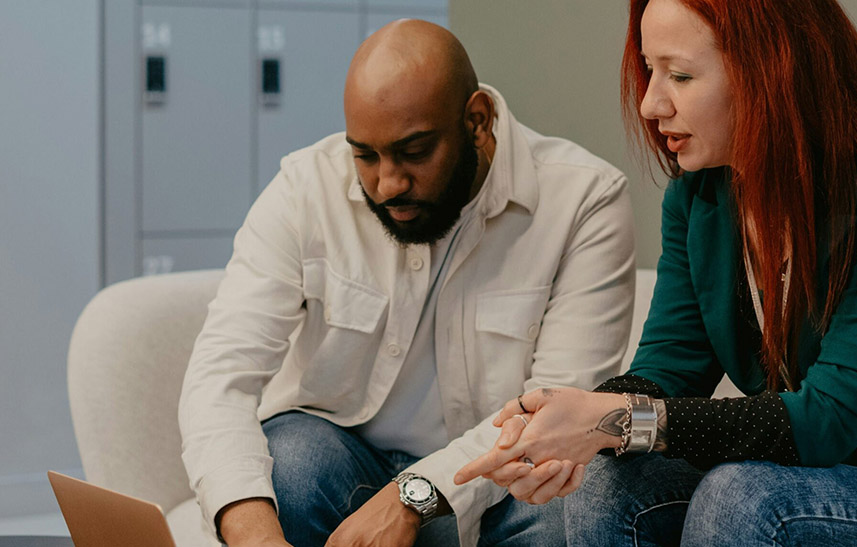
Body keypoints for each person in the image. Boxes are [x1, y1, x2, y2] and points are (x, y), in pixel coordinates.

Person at [455, 0, 857, 545]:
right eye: (650, 71)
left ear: (771, 67)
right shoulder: (698, 195)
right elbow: (668, 369)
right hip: (812, 477)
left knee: (742, 498)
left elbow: (826, 420)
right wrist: (571, 426)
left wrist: (612, 420)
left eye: (681, 75)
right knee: (609, 477)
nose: (649, 103)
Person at [177, 20, 636, 547]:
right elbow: (220, 377)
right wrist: (255, 537)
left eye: (414, 152)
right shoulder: (306, 188)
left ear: (477, 122)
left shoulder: (585, 202)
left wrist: (412, 497)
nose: (388, 184)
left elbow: (552, 420)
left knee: (572, 508)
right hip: (345, 468)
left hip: (498, 489)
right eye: (365, 156)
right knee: (293, 463)